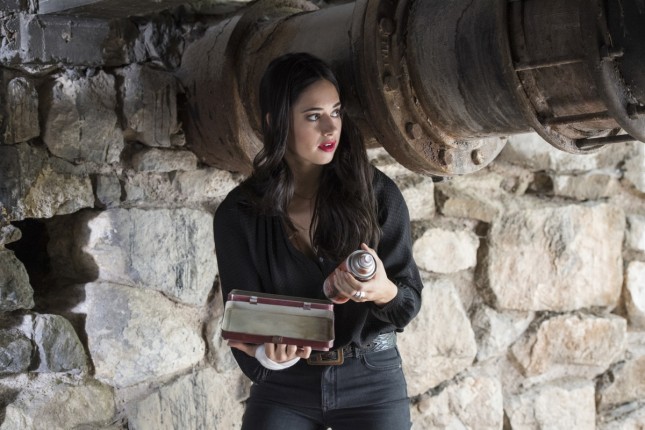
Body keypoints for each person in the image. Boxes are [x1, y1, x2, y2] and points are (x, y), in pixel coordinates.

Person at [214, 52, 423, 430]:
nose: (331, 128)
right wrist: (270, 355)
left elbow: (407, 304)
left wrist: (382, 291)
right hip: (285, 387)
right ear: (276, 122)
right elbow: (243, 321)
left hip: (371, 378)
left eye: (336, 112)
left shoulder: (378, 194)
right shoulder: (238, 214)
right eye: (313, 116)